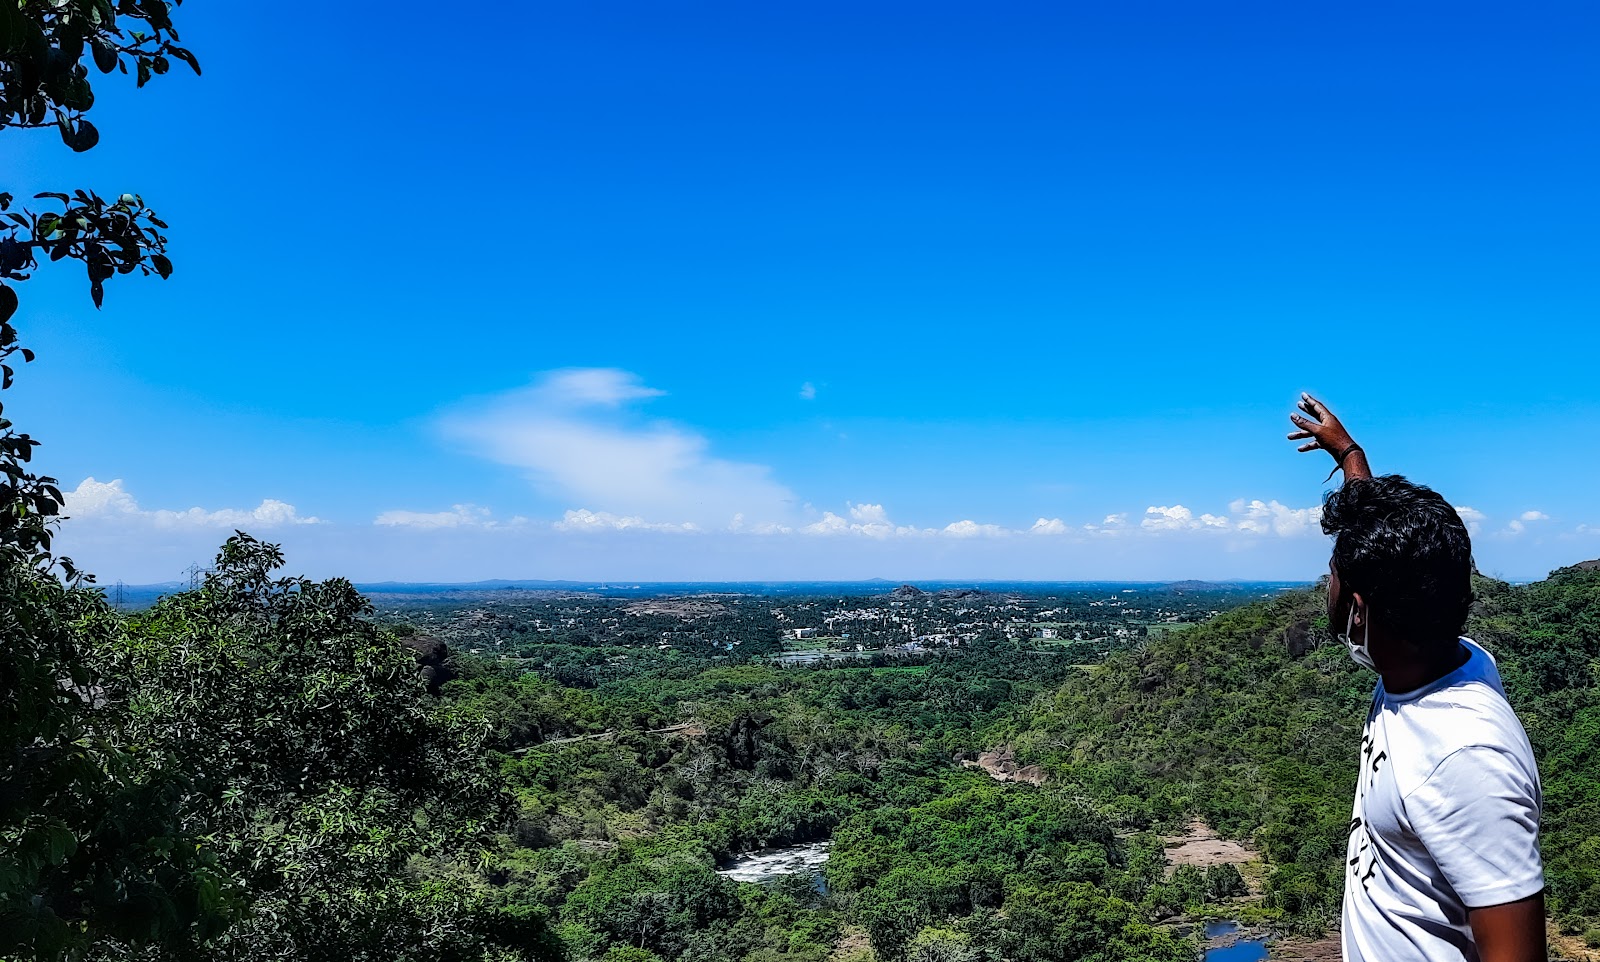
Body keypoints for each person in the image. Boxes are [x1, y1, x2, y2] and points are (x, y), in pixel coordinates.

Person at [1287, 394, 1546, 962]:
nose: (1323, 583)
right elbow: (1397, 551)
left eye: (1333, 575)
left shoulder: (1465, 759)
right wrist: (1351, 456)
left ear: (1360, 610)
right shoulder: (1444, 654)